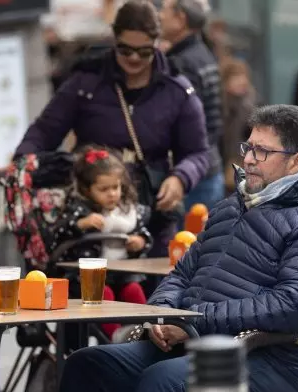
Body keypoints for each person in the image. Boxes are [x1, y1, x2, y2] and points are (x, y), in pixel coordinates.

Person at [46, 104, 298, 392]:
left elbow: (295, 306)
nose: (250, 159)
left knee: (164, 380)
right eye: (248, 147)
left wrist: (191, 322)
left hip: (271, 360)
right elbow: (181, 273)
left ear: (295, 161)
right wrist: (162, 316)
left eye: (263, 151)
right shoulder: (231, 207)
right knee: (86, 366)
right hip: (192, 346)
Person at [15, 0, 210, 258]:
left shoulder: (176, 89)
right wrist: (21, 163)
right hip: (91, 212)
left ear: (157, 44)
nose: (133, 58)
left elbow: (198, 152)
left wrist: (180, 178)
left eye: (144, 52)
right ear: (114, 39)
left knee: (152, 292)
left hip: (151, 209)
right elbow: (45, 131)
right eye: (125, 50)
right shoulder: (86, 82)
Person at [49, 146, 152, 338]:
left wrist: (140, 241)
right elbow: (58, 234)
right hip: (85, 280)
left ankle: (142, 334)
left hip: (123, 274)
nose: (112, 194)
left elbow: (144, 233)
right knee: (103, 294)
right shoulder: (79, 210)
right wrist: (80, 224)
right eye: (104, 189)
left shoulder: (127, 210)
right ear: (87, 190)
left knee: (134, 291)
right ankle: (114, 337)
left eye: (116, 187)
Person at [159, 0, 225, 211]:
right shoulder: (203, 53)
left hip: (192, 175)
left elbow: (178, 121)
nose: (160, 16)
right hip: (210, 165)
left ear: (181, 19)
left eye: (165, 11)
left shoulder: (182, 62)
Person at [220, 58, 257, 193]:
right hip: (224, 166)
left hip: (244, 165)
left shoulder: (250, 104)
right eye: (236, 77)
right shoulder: (222, 107)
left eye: (243, 76)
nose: (241, 81)